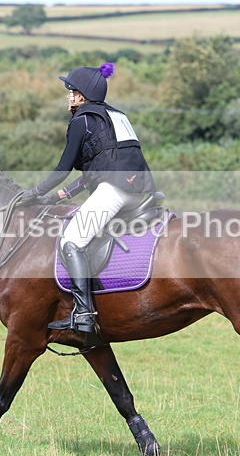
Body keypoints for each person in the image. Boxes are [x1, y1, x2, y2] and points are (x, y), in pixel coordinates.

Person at [20, 63, 156, 340]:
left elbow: (63, 168)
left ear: (82, 95)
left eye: (71, 91)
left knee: (72, 240)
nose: (68, 96)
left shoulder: (81, 120)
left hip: (115, 191)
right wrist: (59, 196)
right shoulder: (116, 116)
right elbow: (97, 168)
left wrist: (34, 192)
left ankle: (83, 314)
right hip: (137, 189)